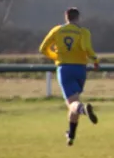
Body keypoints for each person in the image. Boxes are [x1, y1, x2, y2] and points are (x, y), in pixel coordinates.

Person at [39, 8, 99, 146]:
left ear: (66, 17)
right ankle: (71, 135)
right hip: (81, 70)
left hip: (65, 69)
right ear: (78, 18)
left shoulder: (57, 30)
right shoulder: (83, 32)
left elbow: (43, 48)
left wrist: (57, 57)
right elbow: (87, 48)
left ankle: (84, 109)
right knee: (73, 103)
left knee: (73, 104)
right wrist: (95, 61)